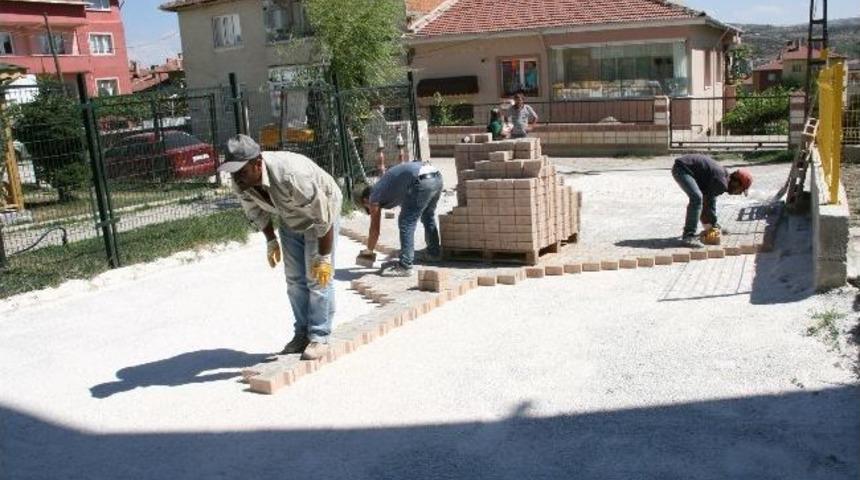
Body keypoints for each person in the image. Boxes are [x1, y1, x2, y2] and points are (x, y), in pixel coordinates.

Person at [219, 134, 342, 360]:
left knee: (317, 276)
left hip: (322, 211)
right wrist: (270, 240)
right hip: (290, 214)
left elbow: (324, 218)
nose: (236, 179)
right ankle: (302, 333)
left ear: (258, 164)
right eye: (233, 173)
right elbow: (256, 212)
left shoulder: (292, 175)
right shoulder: (242, 182)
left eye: (241, 172)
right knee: (294, 279)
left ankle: (319, 336)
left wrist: (324, 258)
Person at [357, 161, 443, 277]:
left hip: (421, 180)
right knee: (427, 214)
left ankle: (405, 266)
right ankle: (433, 253)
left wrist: (368, 251)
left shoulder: (374, 196)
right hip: (436, 177)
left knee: (406, 222)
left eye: (367, 208)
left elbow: (375, 230)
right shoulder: (387, 188)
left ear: (365, 200)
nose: (370, 210)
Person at [671, 154, 753, 247]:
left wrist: (713, 226)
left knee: (701, 199)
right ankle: (688, 236)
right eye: (741, 190)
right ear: (736, 182)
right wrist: (710, 226)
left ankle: (711, 227)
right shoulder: (721, 183)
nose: (739, 193)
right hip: (682, 169)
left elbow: (710, 201)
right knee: (697, 198)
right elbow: (707, 204)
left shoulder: (724, 177)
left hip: (687, 168)